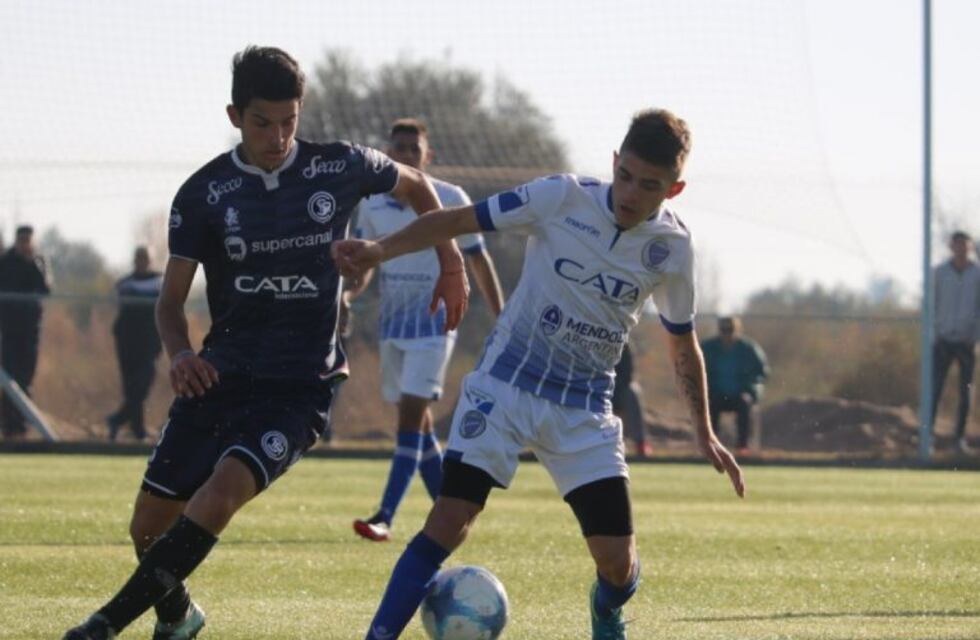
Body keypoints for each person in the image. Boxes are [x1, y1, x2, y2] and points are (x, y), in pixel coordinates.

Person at [63, 45, 468, 640]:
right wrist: (181, 354)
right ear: (235, 116)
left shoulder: (340, 165)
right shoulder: (203, 193)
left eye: (289, 121)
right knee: (147, 529)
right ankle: (178, 617)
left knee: (220, 494)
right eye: (262, 123)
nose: (278, 137)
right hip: (220, 376)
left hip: (299, 388)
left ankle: (100, 626)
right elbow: (169, 304)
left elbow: (417, 186)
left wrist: (450, 261)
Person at [333, 108, 745, 640]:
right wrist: (378, 249)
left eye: (649, 185)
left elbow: (682, 341)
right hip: (504, 385)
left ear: (675, 189)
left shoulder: (673, 248)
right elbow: (456, 221)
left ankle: (607, 610)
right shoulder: (560, 198)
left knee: (617, 565)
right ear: (614, 162)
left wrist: (704, 431)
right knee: (449, 520)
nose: (629, 193)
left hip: (583, 409)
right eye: (625, 176)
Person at [349, 118, 504, 542]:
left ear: (427, 156)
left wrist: (502, 315)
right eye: (398, 148)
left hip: (436, 325)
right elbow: (365, 263)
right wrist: (347, 294)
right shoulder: (372, 204)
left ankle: (385, 516)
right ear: (388, 153)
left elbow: (478, 259)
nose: (405, 155)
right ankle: (448, 510)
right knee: (418, 425)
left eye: (412, 149)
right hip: (392, 325)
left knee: (410, 416)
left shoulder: (450, 199)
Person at [930, 230, 980, 454]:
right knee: (935, 389)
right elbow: (931, 304)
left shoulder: (977, 274)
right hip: (943, 340)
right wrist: (935, 334)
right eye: (957, 244)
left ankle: (958, 440)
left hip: (967, 341)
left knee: (965, 392)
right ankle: (927, 437)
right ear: (951, 246)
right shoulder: (940, 273)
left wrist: (975, 336)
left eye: (965, 245)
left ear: (970, 247)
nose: (961, 249)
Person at [106, 246, 163, 441]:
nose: (141, 262)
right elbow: (120, 302)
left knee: (143, 383)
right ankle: (138, 430)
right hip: (128, 340)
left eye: (144, 258)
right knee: (131, 387)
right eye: (138, 258)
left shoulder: (159, 281)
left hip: (150, 339)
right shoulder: (125, 283)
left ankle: (117, 419)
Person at [0, 225, 50, 439]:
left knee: (26, 378)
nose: (25, 245)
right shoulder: (5, 261)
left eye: (28, 241)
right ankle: (8, 425)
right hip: (9, 328)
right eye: (22, 240)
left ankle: (21, 425)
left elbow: (45, 289)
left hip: (31, 329)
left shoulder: (38, 261)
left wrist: (32, 264)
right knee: (9, 378)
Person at [700, 316, 770, 456]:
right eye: (723, 330)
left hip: (740, 394)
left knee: (744, 403)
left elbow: (762, 371)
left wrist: (751, 389)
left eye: (730, 329)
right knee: (710, 407)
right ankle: (711, 445)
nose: (727, 333)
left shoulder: (748, 348)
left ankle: (742, 446)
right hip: (715, 394)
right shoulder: (708, 347)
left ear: (737, 330)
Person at [612, 342, 652, 458]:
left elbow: (627, 373)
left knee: (633, 392)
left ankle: (640, 442)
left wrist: (615, 389)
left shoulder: (623, 344)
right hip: (593, 386)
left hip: (617, 388)